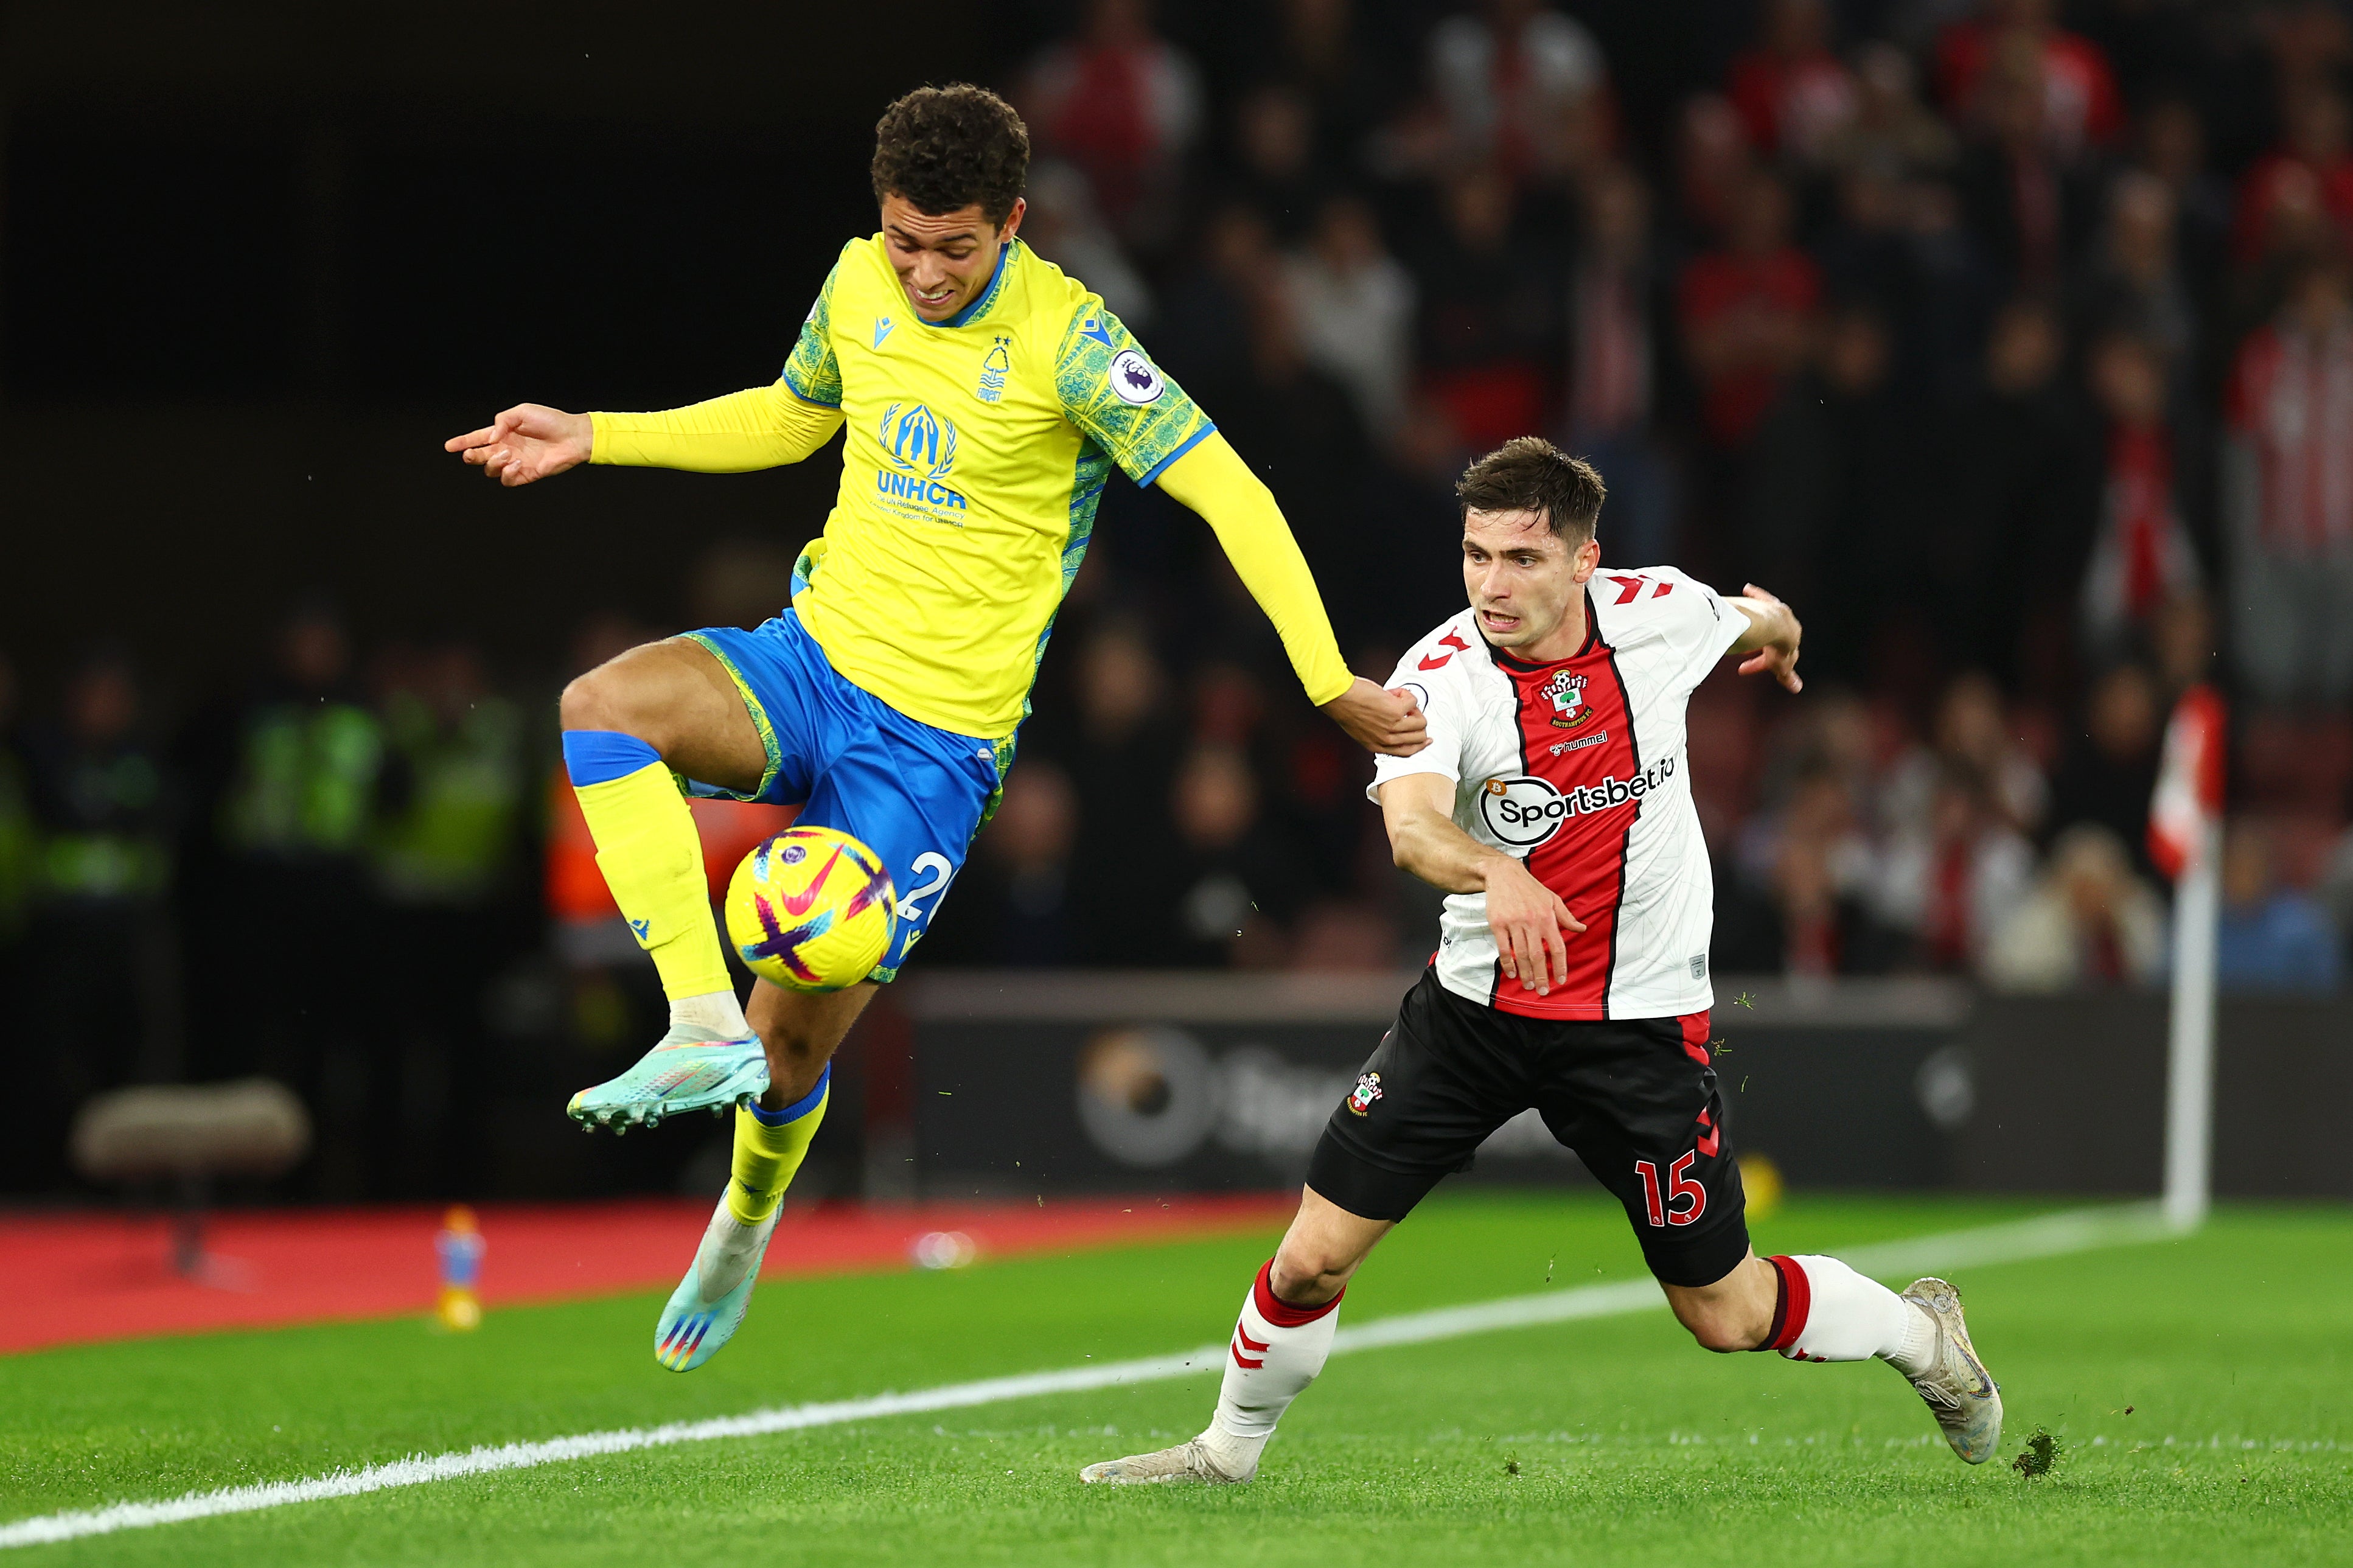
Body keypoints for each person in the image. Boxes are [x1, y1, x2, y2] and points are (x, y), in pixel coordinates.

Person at [444, 85, 1426, 1373]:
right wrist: (597, 435)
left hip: (927, 755)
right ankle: (693, 1016)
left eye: (953, 247)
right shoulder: (858, 283)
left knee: (795, 1035)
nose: (921, 272)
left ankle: (743, 1220)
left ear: (1011, 224)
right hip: (806, 661)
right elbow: (790, 415)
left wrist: (1320, 678)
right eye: (904, 238)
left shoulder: (1073, 343)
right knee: (599, 708)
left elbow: (1229, 492)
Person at [1082, 438, 2003, 1486]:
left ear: (1584, 561)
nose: (1492, 585)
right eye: (1476, 555)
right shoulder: (1440, 679)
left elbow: (1755, 617)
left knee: (1725, 1310)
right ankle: (1226, 1452)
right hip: (1476, 1014)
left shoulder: (1658, 610)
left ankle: (1923, 1337)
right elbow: (1413, 832)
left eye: (1522, 559)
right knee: (1311, 1253)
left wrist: (1781, 634)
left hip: (1639, 1023)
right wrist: (1493, 871)